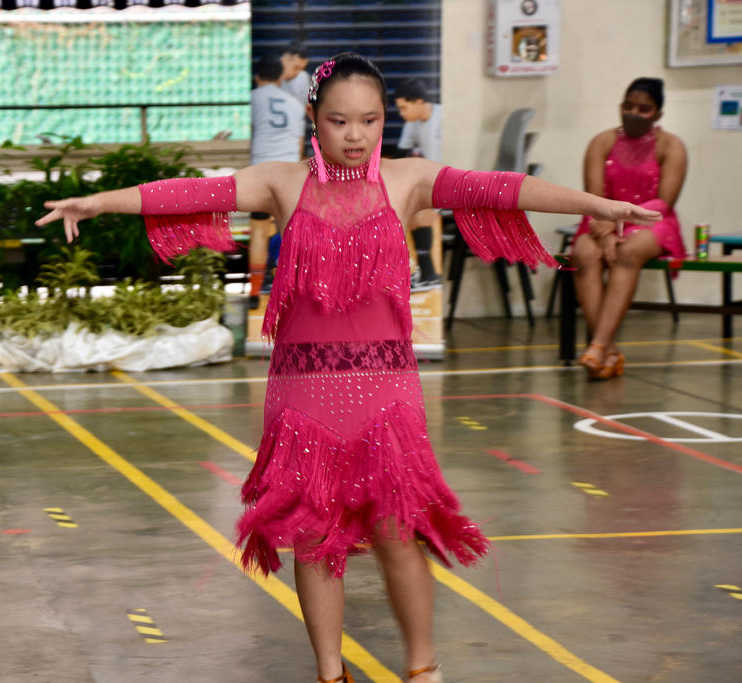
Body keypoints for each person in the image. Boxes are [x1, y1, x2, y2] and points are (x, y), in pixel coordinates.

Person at [36, 53, 659, 683]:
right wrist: (96, 202)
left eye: (370, 119)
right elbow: (195, 193)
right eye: (339, 121)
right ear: (314, 118)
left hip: (386, 387)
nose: (356, 135)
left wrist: (598, 206)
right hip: (303, 388)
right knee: (315, 536)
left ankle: (423, 669)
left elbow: (503, 188)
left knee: (396, 531)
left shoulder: (409, 179)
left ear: (385, 119)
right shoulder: (282, 182)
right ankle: (329, 673)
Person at [572, 77, 687, 380]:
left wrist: (620, 227)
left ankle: (598, 346)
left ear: (658, 115)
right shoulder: (602, 141)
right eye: (628, 105)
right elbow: (593, 198)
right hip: (602, 218)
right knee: (583, 252)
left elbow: (664, 201)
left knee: (628, 252)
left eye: (644, 108)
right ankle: (609, 351)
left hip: (649, 220)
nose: (634, 112)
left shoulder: (671, 146)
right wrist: (606, 232)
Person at [249, 54, 304, 297]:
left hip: (260, 172)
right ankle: (281, 281)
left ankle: (255, 289)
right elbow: (300, 144)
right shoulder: (295, 104)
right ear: (280, 77)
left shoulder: (252, 99)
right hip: (288, 173)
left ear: (257, 76)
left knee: (259, 230)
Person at [394, 78, 443, 289]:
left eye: (404, 107)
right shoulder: (412, 122)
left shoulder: (443, 117)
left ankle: (428, 273)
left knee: (417, 207)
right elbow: (400, 153)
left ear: (420, 102)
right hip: (438, 180)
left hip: (459, 182)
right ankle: (427, 272)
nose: (401, 113)